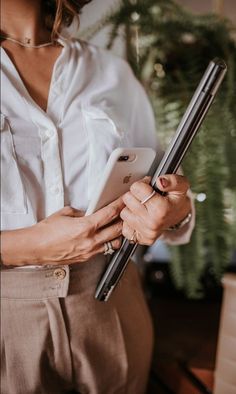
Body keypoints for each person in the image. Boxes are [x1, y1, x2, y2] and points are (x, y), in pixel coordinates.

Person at [0, 1, 195, 393]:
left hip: (112, 299)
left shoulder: (110, 73)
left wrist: (172, 211)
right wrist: (20, 249)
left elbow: (157, 188)